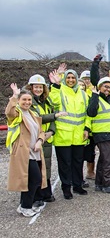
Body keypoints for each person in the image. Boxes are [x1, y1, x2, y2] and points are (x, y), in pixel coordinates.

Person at [6, 85, 48, 217]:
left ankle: (23, 205)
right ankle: (26, 206)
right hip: (24, 153)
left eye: (29, 100)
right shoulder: (17, 114)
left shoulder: (32, 114)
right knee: (35, 179)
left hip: (34, 152)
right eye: (24, 99)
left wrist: (40, 141)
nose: (27, 102)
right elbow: (9, 113)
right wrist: (14, 96)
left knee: (31, 180)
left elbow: (41, 131)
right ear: (19, 101)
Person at [25, 74, 67, 202]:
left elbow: (52, 118)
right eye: (35, 87)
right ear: (30, 87)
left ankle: (45, 192)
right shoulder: (28, 102)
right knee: (35, 168)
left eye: (40, 87)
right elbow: (36, 119)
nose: (38, 89)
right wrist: (54, 116)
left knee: (46, 166)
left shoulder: (46, 101)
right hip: (34, 139)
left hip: (46, 138)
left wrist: (51, 131)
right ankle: (36, 196)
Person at [48, 69, 89, 199]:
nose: (70, 80)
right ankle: (66, 187)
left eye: (73, 78)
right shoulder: (59, 90)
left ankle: (77, 185)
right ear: (64, 79)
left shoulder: (83, 94)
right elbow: (53, 101)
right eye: (68, 78)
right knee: (65, 163)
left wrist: (87, 128)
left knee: (78, 162)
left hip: (79, 135)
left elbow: (87, 113)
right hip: (63, 135)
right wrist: (55, 85)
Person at [87, 77, 110, 193]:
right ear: (99, 87)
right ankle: (107, 184)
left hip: (109, 133)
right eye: (105, 86)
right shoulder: (97, 99)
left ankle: (99, 183)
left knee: (103, 160)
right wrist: (94, 96)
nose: (108, 89)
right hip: (101, 133)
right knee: (108, 160)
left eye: (109, 87)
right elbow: (91, 112)